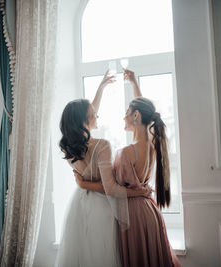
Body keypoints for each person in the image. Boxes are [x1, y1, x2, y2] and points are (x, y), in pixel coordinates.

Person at [75, 69, 181, 267]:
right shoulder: (152, 144)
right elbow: (146, 113)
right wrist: (133, 84)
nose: (124, 117)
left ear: (136, 116)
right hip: (151, 211)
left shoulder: (126, 152)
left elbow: (112, 189)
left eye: (126, 113)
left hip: (132, 216)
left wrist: (83, 183)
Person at [56, 71, 152, 267]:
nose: (96, 113)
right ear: (85, 118)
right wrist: (138, 191)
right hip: (101, 208)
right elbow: (111, 189)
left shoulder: (66, 146)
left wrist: (101, 88)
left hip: (79, 204)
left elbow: (87, 113)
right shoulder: (102, 146)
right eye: (92, 113)